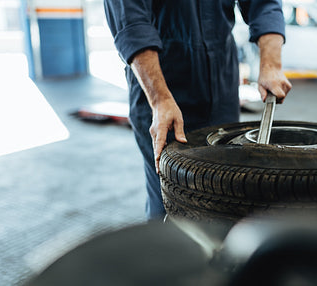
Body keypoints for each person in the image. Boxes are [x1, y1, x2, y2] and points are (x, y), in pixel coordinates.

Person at [104, 0, 292, 220]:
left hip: (222, 86)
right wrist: (159, 99)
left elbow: (263, 3)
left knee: (227, 195)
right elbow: (131, 20)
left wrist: (271, 63)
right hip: (162, 89)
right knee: (169, 202)